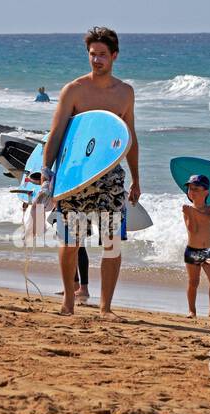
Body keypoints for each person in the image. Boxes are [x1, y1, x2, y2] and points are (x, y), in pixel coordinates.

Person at [41, 26, 140, 317]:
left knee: (112, 243)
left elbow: (129, 137)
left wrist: (136, 177)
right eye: (92, 54)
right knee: (70, 240)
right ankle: (68, 303)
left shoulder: (125, 93)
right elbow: (56, 134)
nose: (96, 60)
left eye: (102, 55)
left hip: (110, 177)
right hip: (75, 175)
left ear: (114, 56)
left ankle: (106, 308)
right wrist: (47, 173)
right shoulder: (74, 90)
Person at [181, 174, 210, 319]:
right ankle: (192, 310)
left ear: (206, 192)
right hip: (192, 251)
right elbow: (192, 229)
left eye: (196, 188)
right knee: (193, 282)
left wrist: (193, 212)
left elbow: (207, 218)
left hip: (207, 252)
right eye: (190, 189)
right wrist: (190, 214)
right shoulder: (187, 211)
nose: (192, 191)